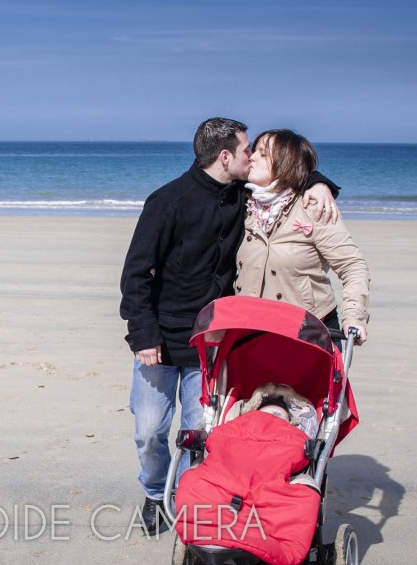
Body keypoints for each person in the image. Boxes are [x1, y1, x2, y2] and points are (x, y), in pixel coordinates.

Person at [119, 118, 340, 535]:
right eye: (245, 151)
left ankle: (182, 497)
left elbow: (287, 171)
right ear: (225, 157)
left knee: (198, 434)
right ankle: (153, 494)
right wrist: (143, 336)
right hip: (160, 342)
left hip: (212, 342)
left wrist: (319, 184)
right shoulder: (167, 202)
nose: (252, 156)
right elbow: (134, 276)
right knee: (149, 433)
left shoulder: (244, 198)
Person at [235, 128, 369, 346]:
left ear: (286, 162)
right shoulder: (241, 206)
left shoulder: (313, 207)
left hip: (308, 334)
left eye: (263, 153)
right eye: (254, 150)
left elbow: (352, 266)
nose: (252, 157)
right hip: (253, 334)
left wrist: (353, 316)